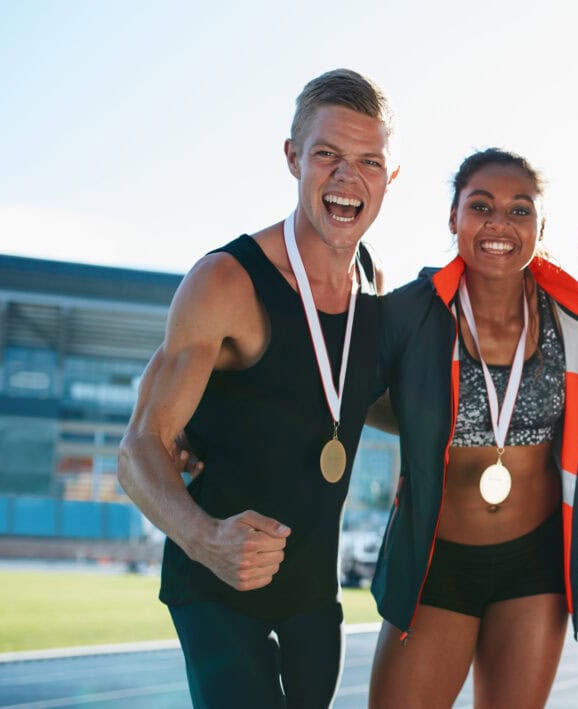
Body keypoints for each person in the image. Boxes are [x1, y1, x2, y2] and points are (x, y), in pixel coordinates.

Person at [117, 69, 396, 708]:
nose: (348, 178)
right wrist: (205, 540)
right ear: (293, 157)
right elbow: (139, 448)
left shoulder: (373, 283)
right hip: (215, 586)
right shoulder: (226, 280)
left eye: (369, 161)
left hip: (312, 593)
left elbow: (351, 397)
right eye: (327, 154)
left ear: (391, 176)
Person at [366, 148, 578, 708]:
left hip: (536, 563)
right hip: (437, 561)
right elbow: (337, 391)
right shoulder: (411, 313)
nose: (500, 223)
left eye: (520, 210)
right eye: (481, 206)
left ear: (541, 227)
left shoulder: (577, 315)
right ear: (454, 218)